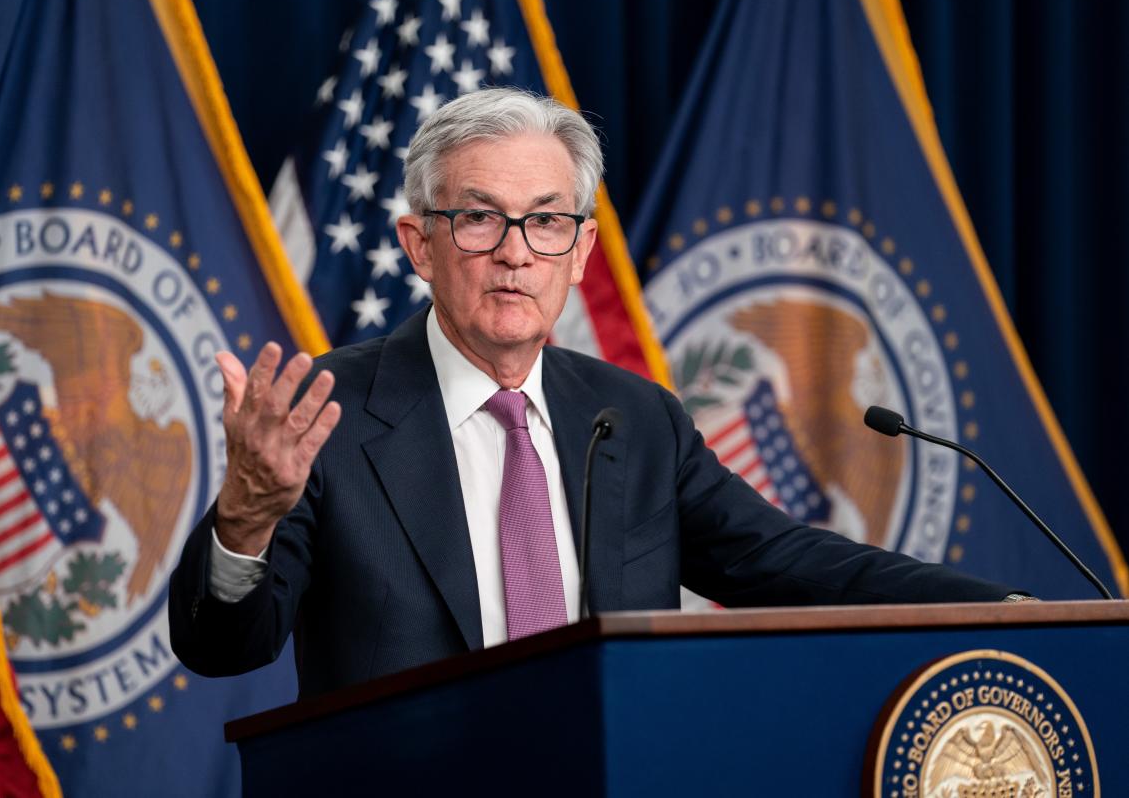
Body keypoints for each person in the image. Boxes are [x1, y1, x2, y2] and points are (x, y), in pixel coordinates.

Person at [168, 88, 1020, 697]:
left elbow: (787, 564)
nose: (515, 252)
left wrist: (1006, 611)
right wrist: (245, 520)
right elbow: (222, 649)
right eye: (478, 218)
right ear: (419, 245)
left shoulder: (638, 419)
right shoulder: (329, 414)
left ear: (579, 253)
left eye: (545, 221)